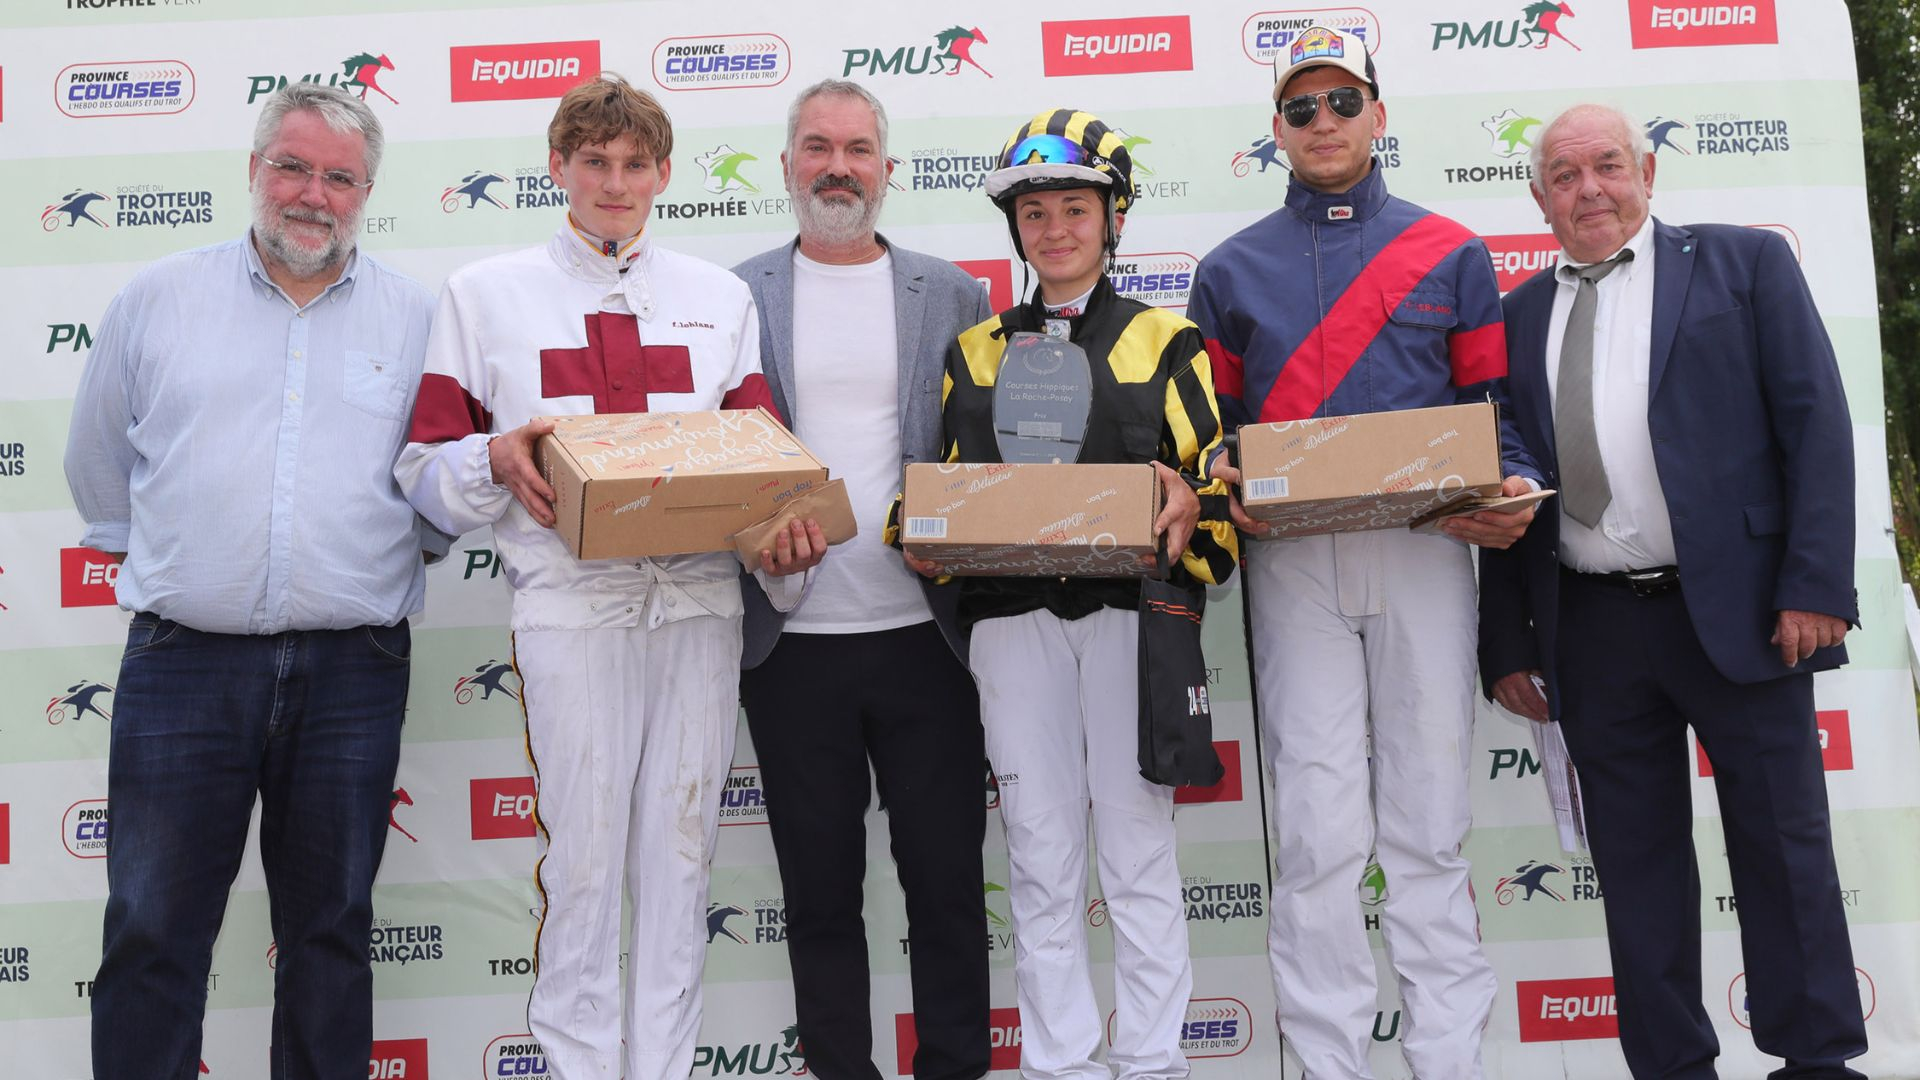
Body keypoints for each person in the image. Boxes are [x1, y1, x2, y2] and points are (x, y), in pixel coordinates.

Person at [394, 73, 821, 1080]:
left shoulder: (720, 300)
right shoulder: (483, 294)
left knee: (680, 862)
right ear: (558, 167)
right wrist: (493, 459)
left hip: (700, 605)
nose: (615, 182)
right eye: (595, 162)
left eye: (635, 165)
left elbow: (764, 470)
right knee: (583, 862)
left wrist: (784, 546)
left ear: (665, 174)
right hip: (571, 606)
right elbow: (423, 468)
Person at [1479, 103, 1867, 1080]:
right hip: (1593, 627)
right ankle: (1671, 1066)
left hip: (1744, 611)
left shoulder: (1743, 267)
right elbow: (1500, 484)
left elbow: (1816, 426)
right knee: (1637, 869)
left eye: (1607, 166)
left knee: (1783, 847)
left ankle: (1817, 1057)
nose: (1588, 190)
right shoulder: (1515, 317)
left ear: (1647, 172)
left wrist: (1814, 584)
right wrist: (1509, 643)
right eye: (1564, 177)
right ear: (1538, 199)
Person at [1187, 25, 1539, 1079]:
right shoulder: (1228, 269)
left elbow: (1496, 413)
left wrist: (1513, 482)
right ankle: (1329, 1063)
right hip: (1294, 568)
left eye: (1344, 103)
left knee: (1429, 827)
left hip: (1426, 553)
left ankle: (1449, 1062)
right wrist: (1223, 480)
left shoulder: (1454, 251)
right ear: (1278, 132)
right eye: (1302, 109)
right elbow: (1215, 431)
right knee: (1317, 835)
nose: (1324, 123)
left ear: (1379, 117)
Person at [65, 82, 433, 1080]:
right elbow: (100, 466)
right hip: (183, 667)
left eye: (341, 177)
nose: (315, 193)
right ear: (256, 167)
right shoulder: (158, 298)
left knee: (330, 937)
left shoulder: (417, 318)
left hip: (353, 671)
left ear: (368, 191)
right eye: (294, 166)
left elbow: (437, 483)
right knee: (152, 934)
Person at [914, 108, 1237, 1080]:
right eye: (1036, 212)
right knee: (1041, 862)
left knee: (1136, 858)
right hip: (1013, 634)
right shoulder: (972, 353)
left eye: (1075, 209)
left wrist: (1193, 502)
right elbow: (941, 495)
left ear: (1114, 217)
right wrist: (918, 536)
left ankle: (1150, 1061)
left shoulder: (1168, 341)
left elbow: (1219, 502)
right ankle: (1060, 1064)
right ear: (1016, 227)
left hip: (1128, 626)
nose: (1054, 229)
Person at [732, 79, 993, 1080]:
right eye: (815, 146)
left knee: (945, 889)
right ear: (789, 162)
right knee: (819, 894)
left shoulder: (954, 293)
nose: (836, 166)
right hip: (792, 647)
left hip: (929, 639)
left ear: (887, 168)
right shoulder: (735, 293)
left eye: (855, 148)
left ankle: (957, 1067)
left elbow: (984, 457)